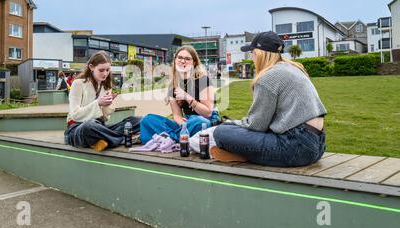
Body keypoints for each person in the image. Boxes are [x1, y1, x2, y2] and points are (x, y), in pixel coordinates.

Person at [212, 31, 327, 167]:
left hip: (295, 147)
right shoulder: (293, 68)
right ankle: (248, 153)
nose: (251, 56)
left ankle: (243, 154)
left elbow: (257, 125)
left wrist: (232, 123)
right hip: (317, 145)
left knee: (221, 132)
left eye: (252, 52)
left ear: (258, 53)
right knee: (229, 128)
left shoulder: (268, 77)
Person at [139, 46, 219, 144]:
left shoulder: (202, 80)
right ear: (175, 60)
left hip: (204, 121)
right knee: (147, 119)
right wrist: (183, 125)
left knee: (200, 122)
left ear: (194, 63)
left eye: (187, 59)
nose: (182, 61)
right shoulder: (173, 85)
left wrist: (187, 97)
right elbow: (177, 116)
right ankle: (178, 138)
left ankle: (169, 139)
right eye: (180, 57)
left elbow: (208, 113)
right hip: (187, 123)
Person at [64, 51, 141, 151]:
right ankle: (124, 138)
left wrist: (106, 106)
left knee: (136, 121)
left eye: (107, 70)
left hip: (100, 128)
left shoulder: (106, 87)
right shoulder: (78, 84)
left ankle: (109, 139)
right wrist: (98, 103)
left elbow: (105, 119)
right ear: (91, 67)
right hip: (77, 129)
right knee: (89, 126)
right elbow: (75, 114)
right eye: (101, 70)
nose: (105, 74)